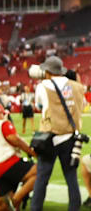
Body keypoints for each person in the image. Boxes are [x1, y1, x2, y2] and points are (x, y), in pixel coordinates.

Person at [31, 56, 85, 211]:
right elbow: (80, 107)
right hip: (70, 137)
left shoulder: (43, 86)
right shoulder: (76, 86)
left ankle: (36, 208)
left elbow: (39, 105)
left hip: (48, 138)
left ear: (47, 71)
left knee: (42, 179)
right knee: (71, 179)